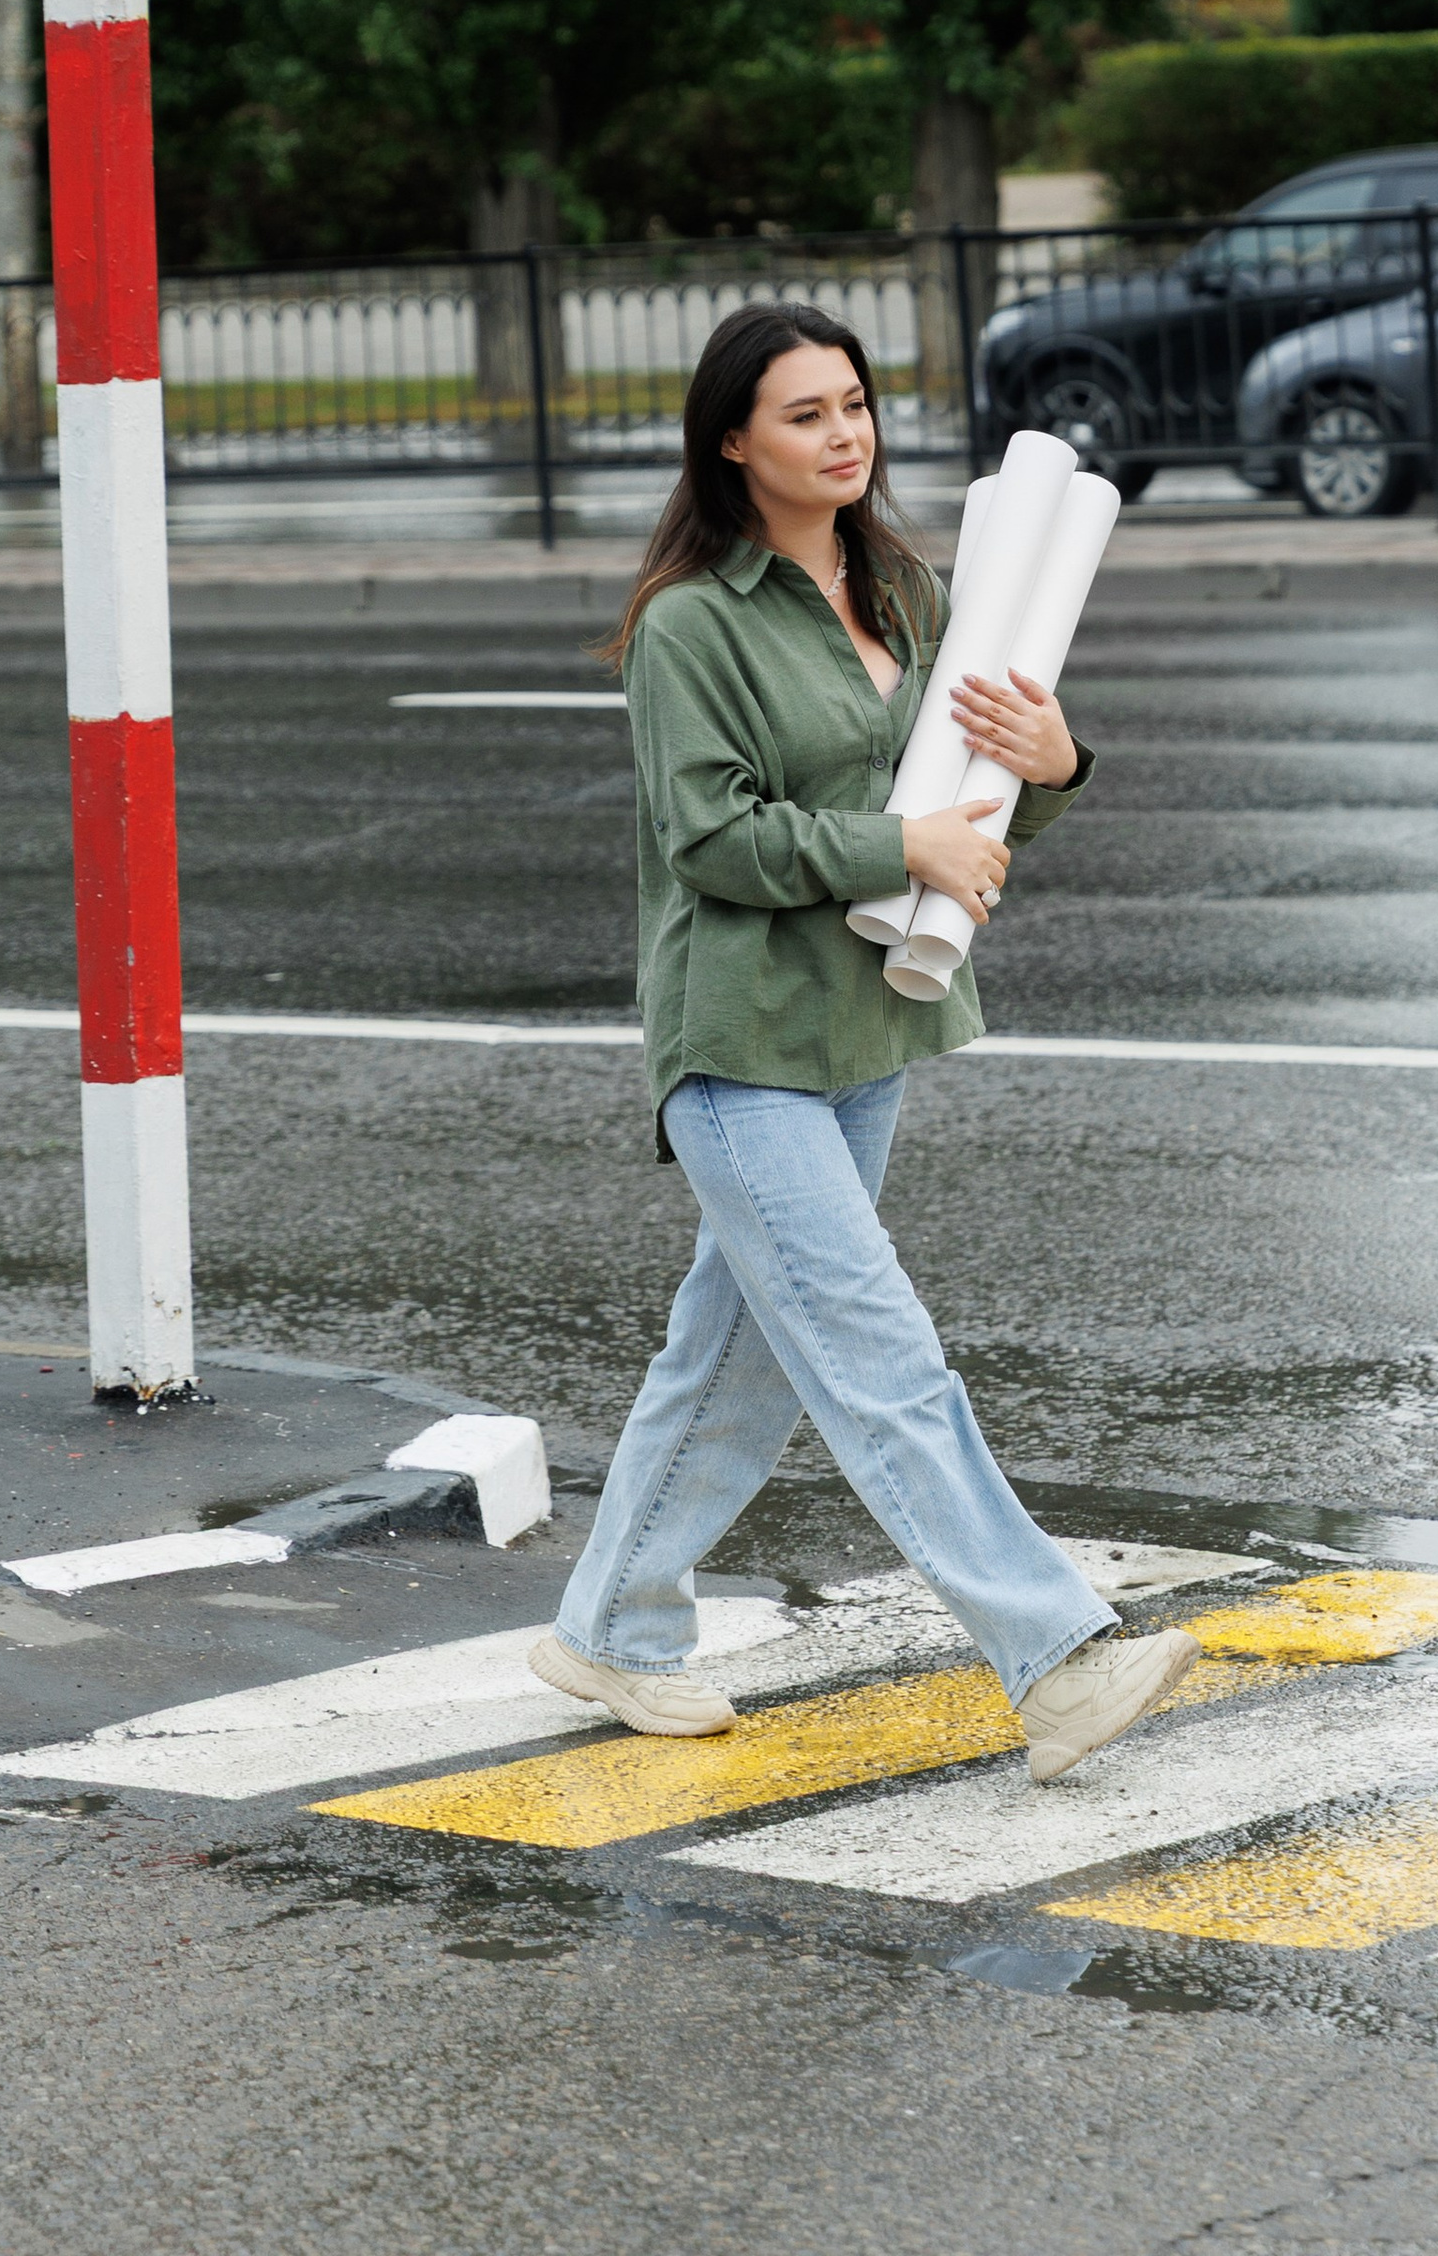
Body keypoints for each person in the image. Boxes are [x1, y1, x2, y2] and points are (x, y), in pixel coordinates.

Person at [530, 299, 1196, 1784]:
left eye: (855, 406)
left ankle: (613, 1627)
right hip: (741, 1037)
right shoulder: (690, 627)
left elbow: (980, 795)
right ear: (732, 443)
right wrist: (900, 838)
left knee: (742, 1355)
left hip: (869, 1019)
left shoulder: (904, 588)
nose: (845, 436)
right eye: (805, 416)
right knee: (880, 1359)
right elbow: (709, 838)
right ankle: (1058, 1652)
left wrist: (1059, 764)